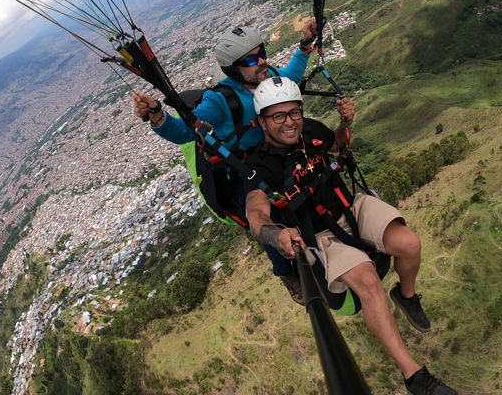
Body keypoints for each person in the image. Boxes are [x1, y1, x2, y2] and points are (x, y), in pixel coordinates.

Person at [243, 77, 457, 395]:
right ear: (262, 121)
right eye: (278, 116)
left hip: (349, 208)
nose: (289, 122)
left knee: (410, 243)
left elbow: (338, 142)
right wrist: (277, 236)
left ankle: (406, 297)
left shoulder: (310, 130)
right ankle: (414, 376)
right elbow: (255, 213)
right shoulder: (259, 165)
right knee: (368, 280)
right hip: (321, 236)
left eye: (294, 112)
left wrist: (347, 121)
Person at [133, 22, 345, 305]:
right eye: (250, 59)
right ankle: (285, 272)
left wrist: (305, 46)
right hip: (245, 171)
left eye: (262, 52)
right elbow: (186, 131)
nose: (261, 61)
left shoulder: (265, 78)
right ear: (233, 69)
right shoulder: (221, 100)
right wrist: (157, 116)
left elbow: (290, 75)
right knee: (263, 218)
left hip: (275, 156)